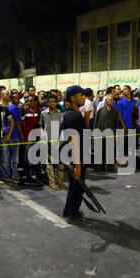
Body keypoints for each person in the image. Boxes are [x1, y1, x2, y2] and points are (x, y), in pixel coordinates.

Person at [61, 85, 86, 223]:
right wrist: (77, 166)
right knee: (77, 187)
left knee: (74, 185)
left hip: (78, 155)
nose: (84, 97)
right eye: (81, 95)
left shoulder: (76, 114)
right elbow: (73, 142)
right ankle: (73, 214)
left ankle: (68, 209)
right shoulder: (71, 116)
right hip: (75, 157)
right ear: (72, 98)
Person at [39, 94, 64, 190]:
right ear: (48, 102)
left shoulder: (59, 113)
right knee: (49, 163)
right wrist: (42, 134)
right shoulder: (43, 113)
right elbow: (41, 125)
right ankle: (52, 182)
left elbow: (62, 126)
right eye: (50, 102)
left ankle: (60, 181)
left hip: (58, 140)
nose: (52, 103)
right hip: (47, 140)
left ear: (57, 102)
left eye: (54, 102)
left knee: (60, 162)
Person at [94, 94, 119, 172]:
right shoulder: (100, 110)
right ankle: (99, 167)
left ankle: (108, 167)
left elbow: (116, 124)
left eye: (112, 100)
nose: (112, 101)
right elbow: (96, 122)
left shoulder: (114, 111)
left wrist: (116, 135)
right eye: (110, 100)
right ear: (106, 101)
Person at [22, 95, 42, 181]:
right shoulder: (25, 111)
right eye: (28, 101)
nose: (29, 102)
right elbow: (22, 123)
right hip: (27, 137)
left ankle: (38, 173)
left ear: (36, 102)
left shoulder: (41, 112)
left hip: (38, 137)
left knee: (37, 155)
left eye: (31, 101)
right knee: (27, 156)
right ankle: (28, 174)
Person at [5, 93, 23, 181]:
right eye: (15, 98)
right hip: (14, 134)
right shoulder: (14, 108)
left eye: (18, 98)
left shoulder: (10, 107)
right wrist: (21, 134)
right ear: (11, 99)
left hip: (9, 133)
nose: (17, 100)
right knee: (14, 157)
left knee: (8, 156)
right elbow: (17, 123)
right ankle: (15, 174)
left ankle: (8, 174)